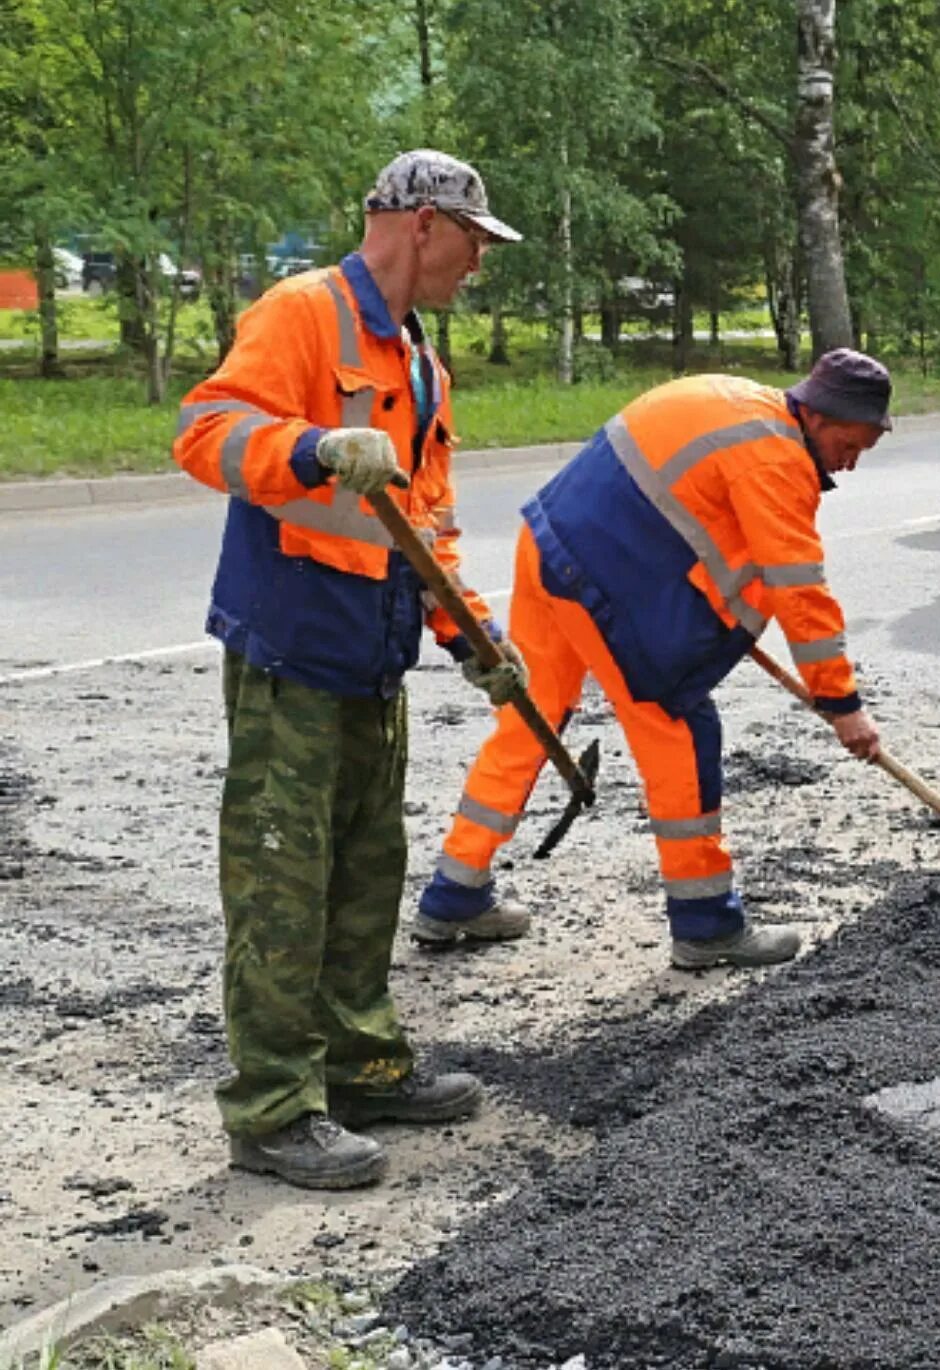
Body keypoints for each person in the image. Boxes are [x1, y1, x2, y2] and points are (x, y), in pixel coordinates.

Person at [172, 149, 527, 1191]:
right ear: (421, 223)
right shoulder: (303, 314)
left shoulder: (420, 361)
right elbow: (205, 430)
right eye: (473, 242)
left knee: (368, 870)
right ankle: (275, 1108)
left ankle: (362, 1064)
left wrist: (471, 635)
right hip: (290, 646)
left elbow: (425, 526)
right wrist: (313, 446)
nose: (477, 265)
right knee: (284, 881)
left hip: (376, 649)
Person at [411, 352, 893, 970]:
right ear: (824, 416)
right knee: (680, 728)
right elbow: (799, 589)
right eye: (852, 444)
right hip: (596, 578)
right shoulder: (776, 458)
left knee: (532, 718)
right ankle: (706, 924)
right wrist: (842, 705)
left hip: (548, 542)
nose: (851, 462)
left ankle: (453, 892)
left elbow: (695, 525)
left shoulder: (732, 398)